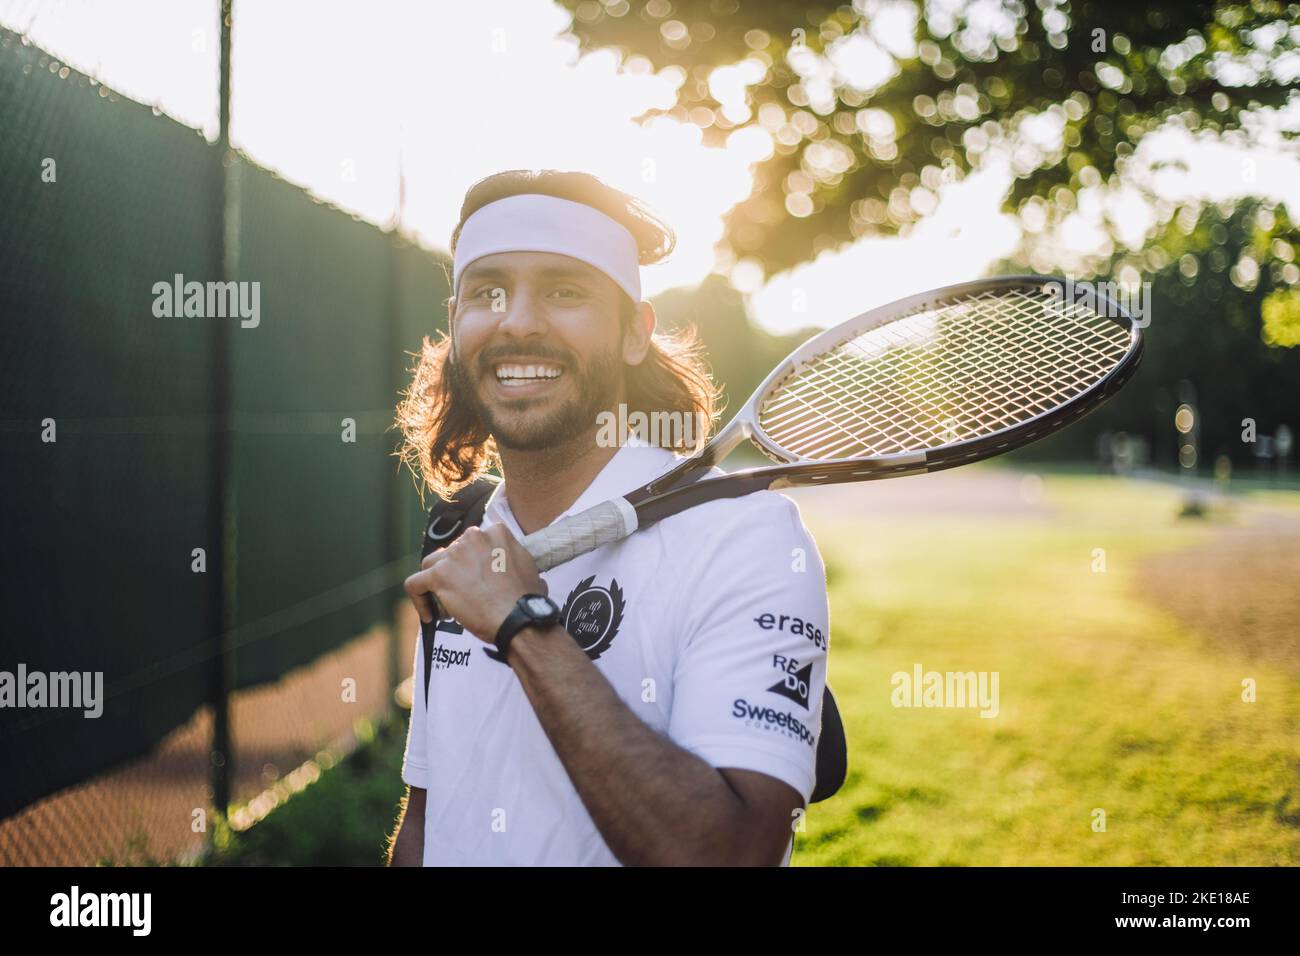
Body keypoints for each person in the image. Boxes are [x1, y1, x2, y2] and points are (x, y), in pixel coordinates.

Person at [388, 169, 830, 866]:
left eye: (565, 290)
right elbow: (430, 816)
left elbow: (732, 852)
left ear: (634, 333)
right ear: (455, 323)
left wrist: (521, 625)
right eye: (487, 291)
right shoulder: (462, 538)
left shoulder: (748, 538)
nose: (518, 320)